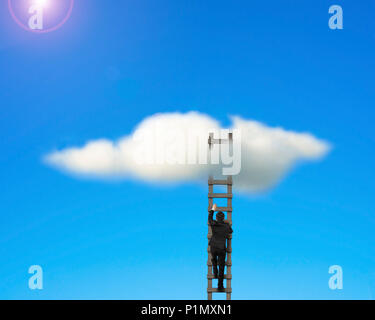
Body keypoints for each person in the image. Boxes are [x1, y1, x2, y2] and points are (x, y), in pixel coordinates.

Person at [208, 203, 233, 290]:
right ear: (223, 218)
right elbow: (231, 231)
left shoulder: (213, 224)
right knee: (222, 267)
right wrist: (227, 224)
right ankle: (220, 286)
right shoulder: (226, 226)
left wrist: (212, 210)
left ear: (217, 218)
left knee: (214, 259)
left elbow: (209, 219)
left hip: (214, 246)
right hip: (222, 248)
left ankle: (215, 271)